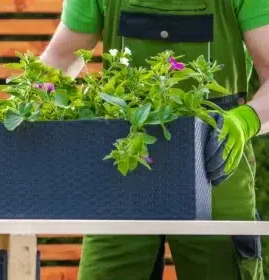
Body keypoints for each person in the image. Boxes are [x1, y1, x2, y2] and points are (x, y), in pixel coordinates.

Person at [39, 0, 269, 279]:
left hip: (215, 162)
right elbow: (60, 61)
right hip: (124, 162)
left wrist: (246, 120)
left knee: (220, 268)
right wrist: (29, 106)